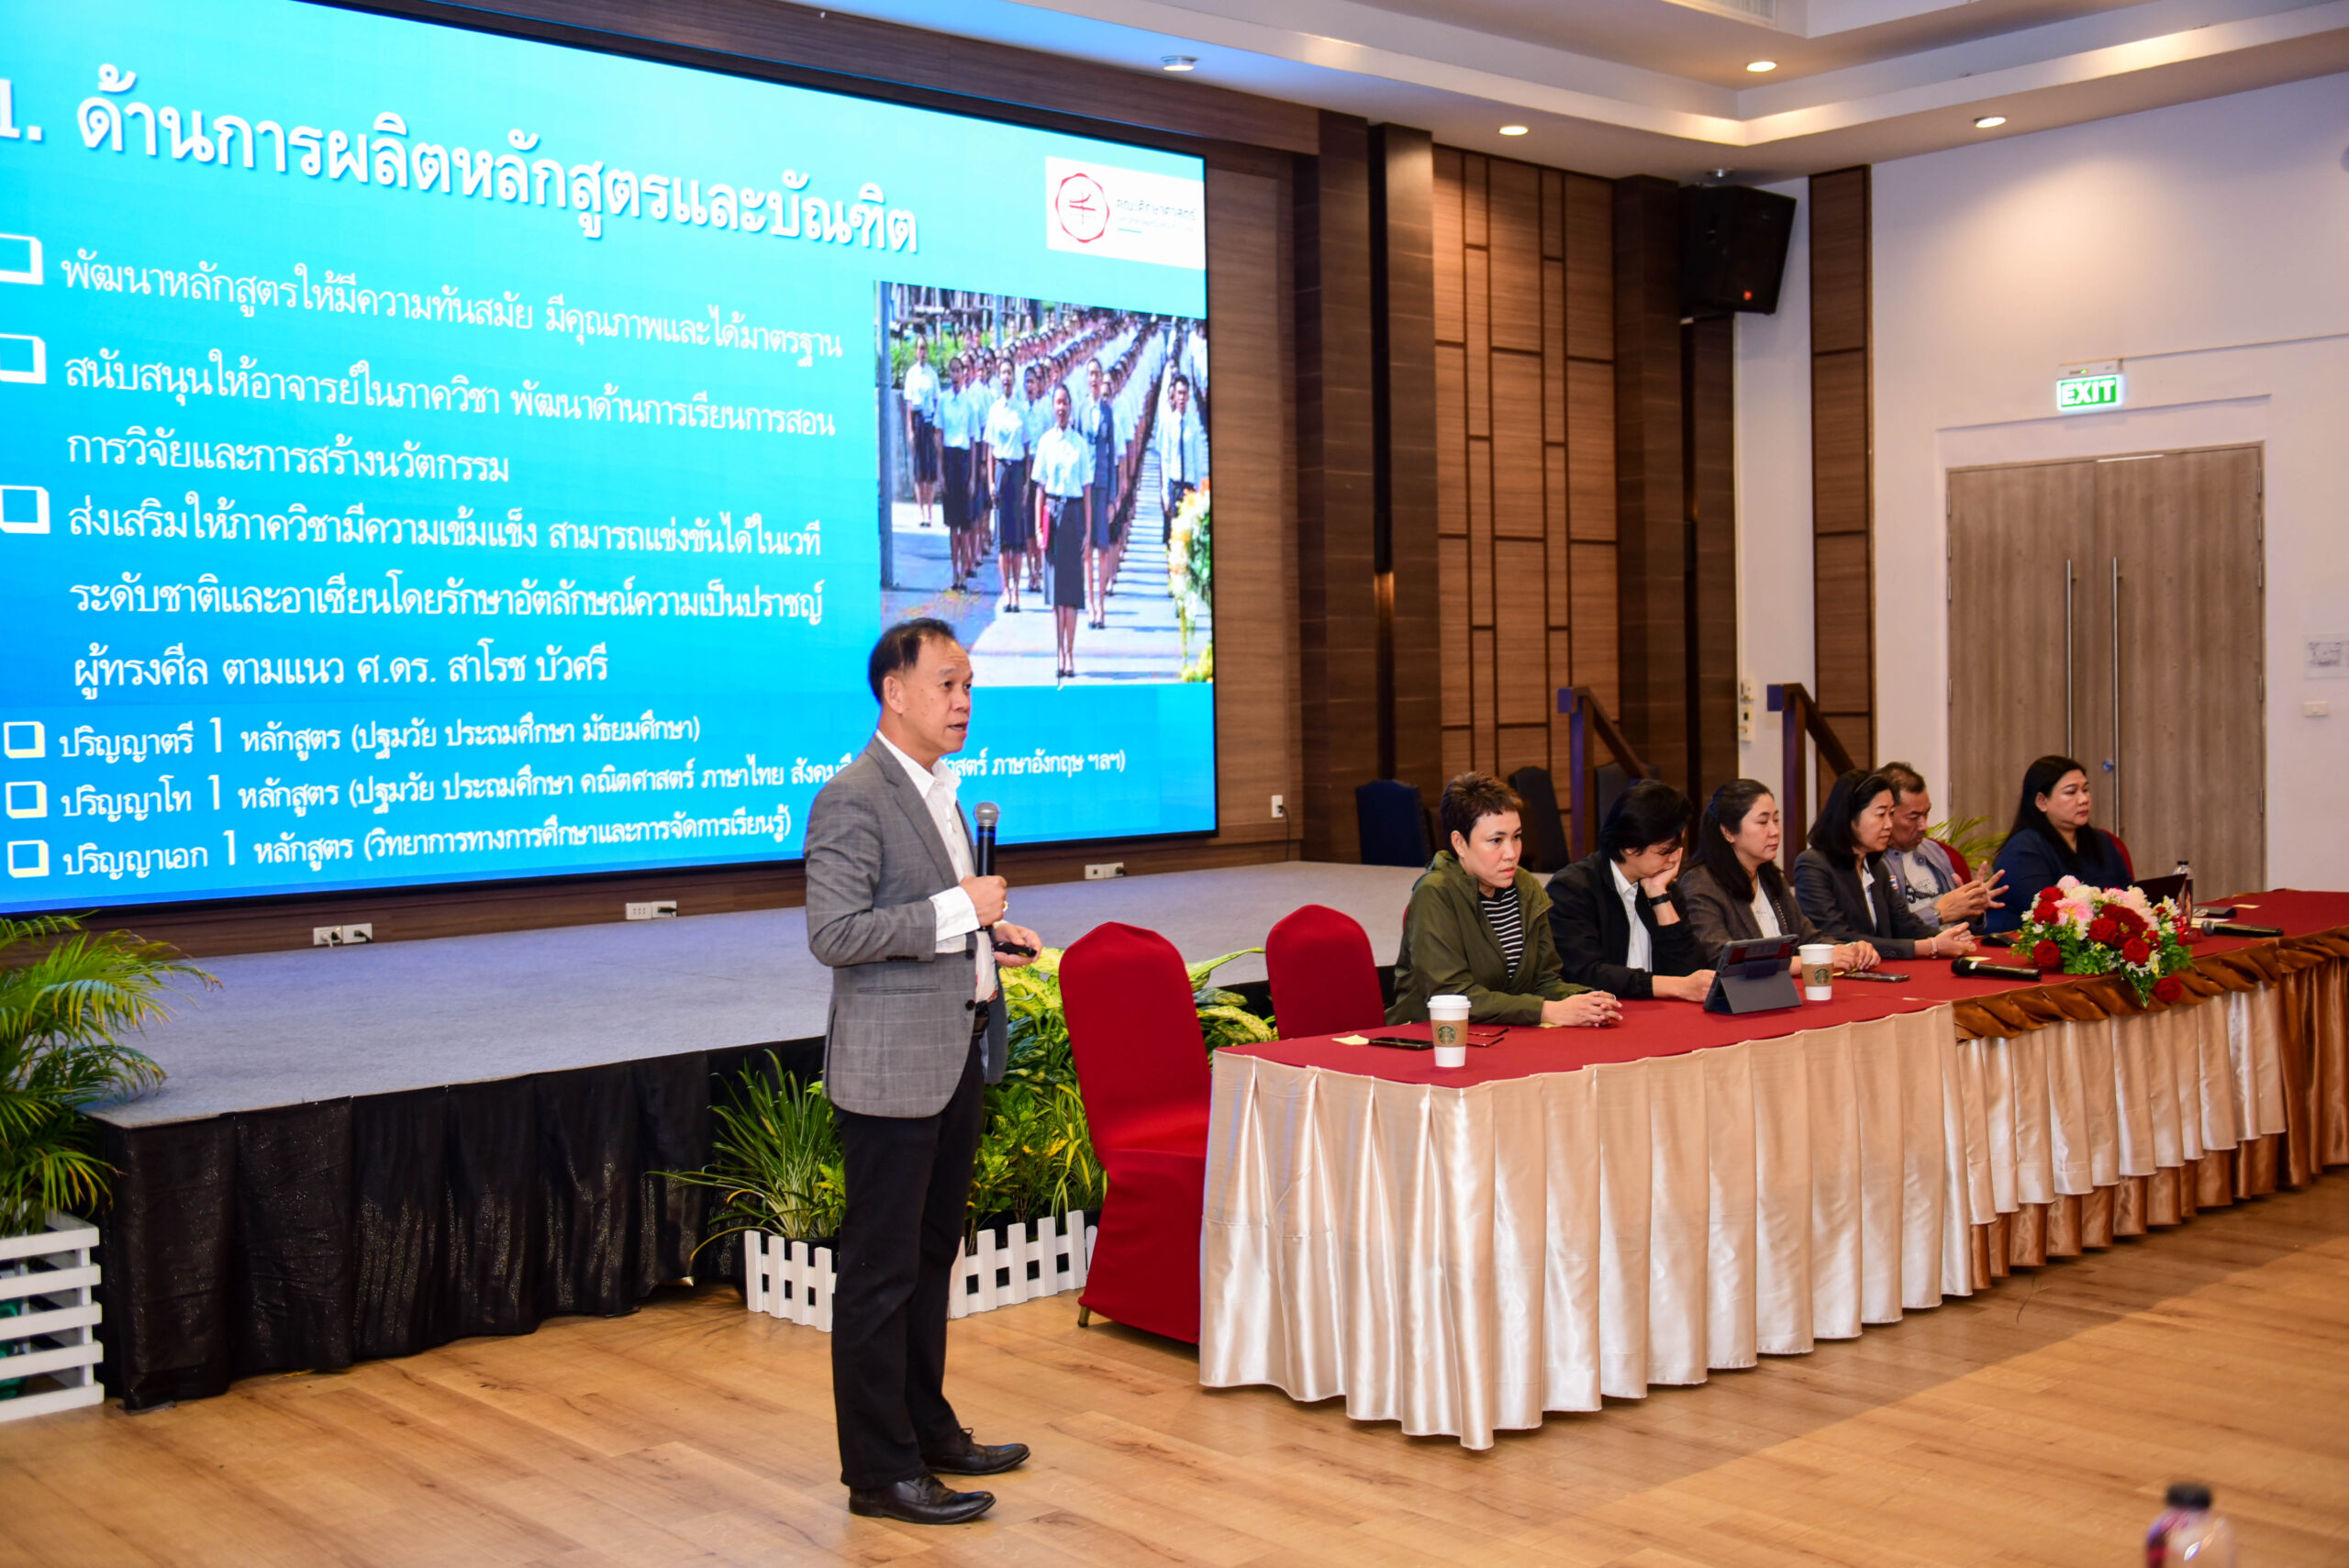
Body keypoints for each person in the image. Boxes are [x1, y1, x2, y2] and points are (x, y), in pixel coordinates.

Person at [806, 619, 1043, 1526]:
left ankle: (925, 1428)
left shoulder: (940, 789)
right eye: (947, 682)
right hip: (890, 1071)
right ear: (894, 691)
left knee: (930, 1255)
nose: (963, 700)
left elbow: (928, 920)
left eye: (969, 683)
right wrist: (959, 909)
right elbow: (836, 933)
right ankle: (879, 1471)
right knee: (880, 1273)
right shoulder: (853, 796)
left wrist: (988, 936)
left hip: (953, 1053)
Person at [1389, 772, 1621, 1027]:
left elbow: (1544, 981)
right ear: (1460, 843)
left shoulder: (1526, 886)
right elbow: (1453, 996)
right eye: (1496, 841)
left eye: (1517, 837)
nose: (1511, 853)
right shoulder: (1435, 893)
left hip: (1505, 1033)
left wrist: (1585, 1000)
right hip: (1432, 1037)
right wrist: (1545, 1011)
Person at [1679, 779, 1881, 973]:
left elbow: (1808, 938)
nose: (1775, 831)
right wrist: (1812, 961)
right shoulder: (1701, 883)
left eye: (1776, 820)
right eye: (1763, 822)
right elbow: (1722, 958)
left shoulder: (1770, 877)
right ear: (1728, 832)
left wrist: (1847, 950)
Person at [1544, 780, 1715, 1003]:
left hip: (1661, 1015)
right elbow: (1585, 973)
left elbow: (1691, 974)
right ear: (1630, 847)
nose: (1675, 859)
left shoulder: (1664, 887)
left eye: (1679, 848)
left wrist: (1660, 898)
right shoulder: (1573, 889)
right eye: (1665, 851)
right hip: (1603, 1015)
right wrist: (1670, 986)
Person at [1795, 770, 1978, 961]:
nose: (1889, 824)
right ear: (1850, 816)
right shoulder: (1813, 865)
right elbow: (1839, 937)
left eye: (1891, 814)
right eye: (1881, 814)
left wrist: (1948, 937)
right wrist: (1928, 946)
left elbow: (1905, 924)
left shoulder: (1875, 866)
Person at [1984, 753, 2136, 934]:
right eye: (2071, 792)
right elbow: (2044, 916)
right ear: (2042, 802)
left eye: (2085, 790)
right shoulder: (2023, 850)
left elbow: (2129, 896)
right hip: (2019, 945)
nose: (2083, 799)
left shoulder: (2102, 842)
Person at [1876, 761, 2005, 930]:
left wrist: (1973, 911)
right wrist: (1938, 914)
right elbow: (1883, 934)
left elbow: (1970, 929)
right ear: (1887, 814)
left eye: (1926, 814)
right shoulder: (1872, 864)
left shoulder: (1935, 851)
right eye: (1913, 817)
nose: (1924, 826)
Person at [1031, 384, 1090, 682]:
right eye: (1057, 402)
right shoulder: (1045, 442)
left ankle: (1071, 652)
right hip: (1052, 515)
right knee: (1056, 592)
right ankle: (1059, 653)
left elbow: (1087, 489)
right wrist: (1038, 528)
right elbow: (1040, 489)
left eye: (1066, 402)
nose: (1061, 407)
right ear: (1052, 407)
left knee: (1071, 591)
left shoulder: (1080, 444)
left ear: (1071, 406)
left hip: (1073, 515)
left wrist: (1088, 530)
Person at [981, 361, 1030, 614]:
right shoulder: (994, 410)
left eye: (1010, 373)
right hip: (1001, 470)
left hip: (1017, 471)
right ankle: (1005, 590)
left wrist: (1027, 482)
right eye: (1003, 374)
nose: (1006, 378)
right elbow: (989, 449)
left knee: (1017, 538)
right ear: (999, 379)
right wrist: (991, 480)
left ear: (1014, 377)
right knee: (1002, 538)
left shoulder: (1021, 410)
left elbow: (1027, 448)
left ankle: (1017, 590)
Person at [1079, 358, 1119, 629]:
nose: (1094, 378)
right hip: (1085, 486)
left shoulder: (1108, 412)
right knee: (1087, 549)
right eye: (1090, 374)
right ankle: (1090, 603)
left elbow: (1112, 451)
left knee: (1103, 548)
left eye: (1097, 374)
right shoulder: (1081, 411)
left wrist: (1113, 496)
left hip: (1102, 484)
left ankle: (1102, 604)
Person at [936, 354, 978, 588]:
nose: (955, 375)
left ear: (964, 374)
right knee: (953, 524)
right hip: (949, 458)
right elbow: (939, 435)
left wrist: (972, 476)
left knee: (965, 523)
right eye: (951, 370)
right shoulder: (943, 401)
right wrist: (941, 472)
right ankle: (955, 571)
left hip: (963, 460)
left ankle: (965, 566)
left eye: (958, 370)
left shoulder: (969, 403)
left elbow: (973, 440)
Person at [1157, 371, 1207, 547]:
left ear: (1189, 395)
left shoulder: (1193, 425)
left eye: (1184, 393)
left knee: (1189, 536)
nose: (1181, 397)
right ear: (1174, 395)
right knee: (1174, 536)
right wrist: (1165, 492)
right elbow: (1165, 459)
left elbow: (1198, 460)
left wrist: (1200, 491)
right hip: (1175, 486)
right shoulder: (1169, 423)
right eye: (1179, 393)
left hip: (1189, 486)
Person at [901, 335, 941, 528]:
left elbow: (936, 400)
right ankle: (921, 512)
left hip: (929, 421)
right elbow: (909, 403)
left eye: (925, 348)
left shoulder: (932, 374)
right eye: (919, 348)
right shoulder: (911, 374)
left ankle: (930, 512)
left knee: (930, 471)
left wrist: (936, 429)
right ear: (916, 351)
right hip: (918, 421)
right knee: (919, 471)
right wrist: (910, 428)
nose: (922, 352)